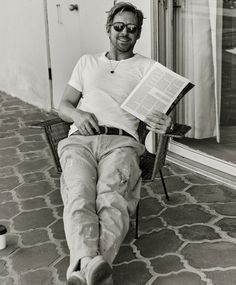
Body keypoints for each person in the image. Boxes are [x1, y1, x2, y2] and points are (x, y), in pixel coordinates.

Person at [58, 2, 172, 285]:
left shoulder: (148, 68)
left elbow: (161, 113)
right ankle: (95, 270)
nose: (125, 33)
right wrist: (77, 113)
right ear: (108, 28)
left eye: (132, 29)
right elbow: (63, 105)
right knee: (80, 193)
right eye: (119, 26)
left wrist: (167, 123)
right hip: (81, 140)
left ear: (139, 33)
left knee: (111, 198)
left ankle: (84, 266)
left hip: (122, 144)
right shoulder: (86, 62)